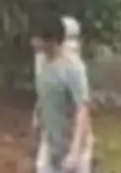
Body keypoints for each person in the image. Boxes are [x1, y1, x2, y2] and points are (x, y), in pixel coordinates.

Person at [32, 15, 93, 173]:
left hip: (72, 141)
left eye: (38, 39)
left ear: (50, 41)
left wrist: (75, 150)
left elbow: (82, 108)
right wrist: (37, 116)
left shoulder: (73, 67)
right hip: (52, 139)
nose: (34, 43)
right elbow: (45, 93)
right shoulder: (42, 61)